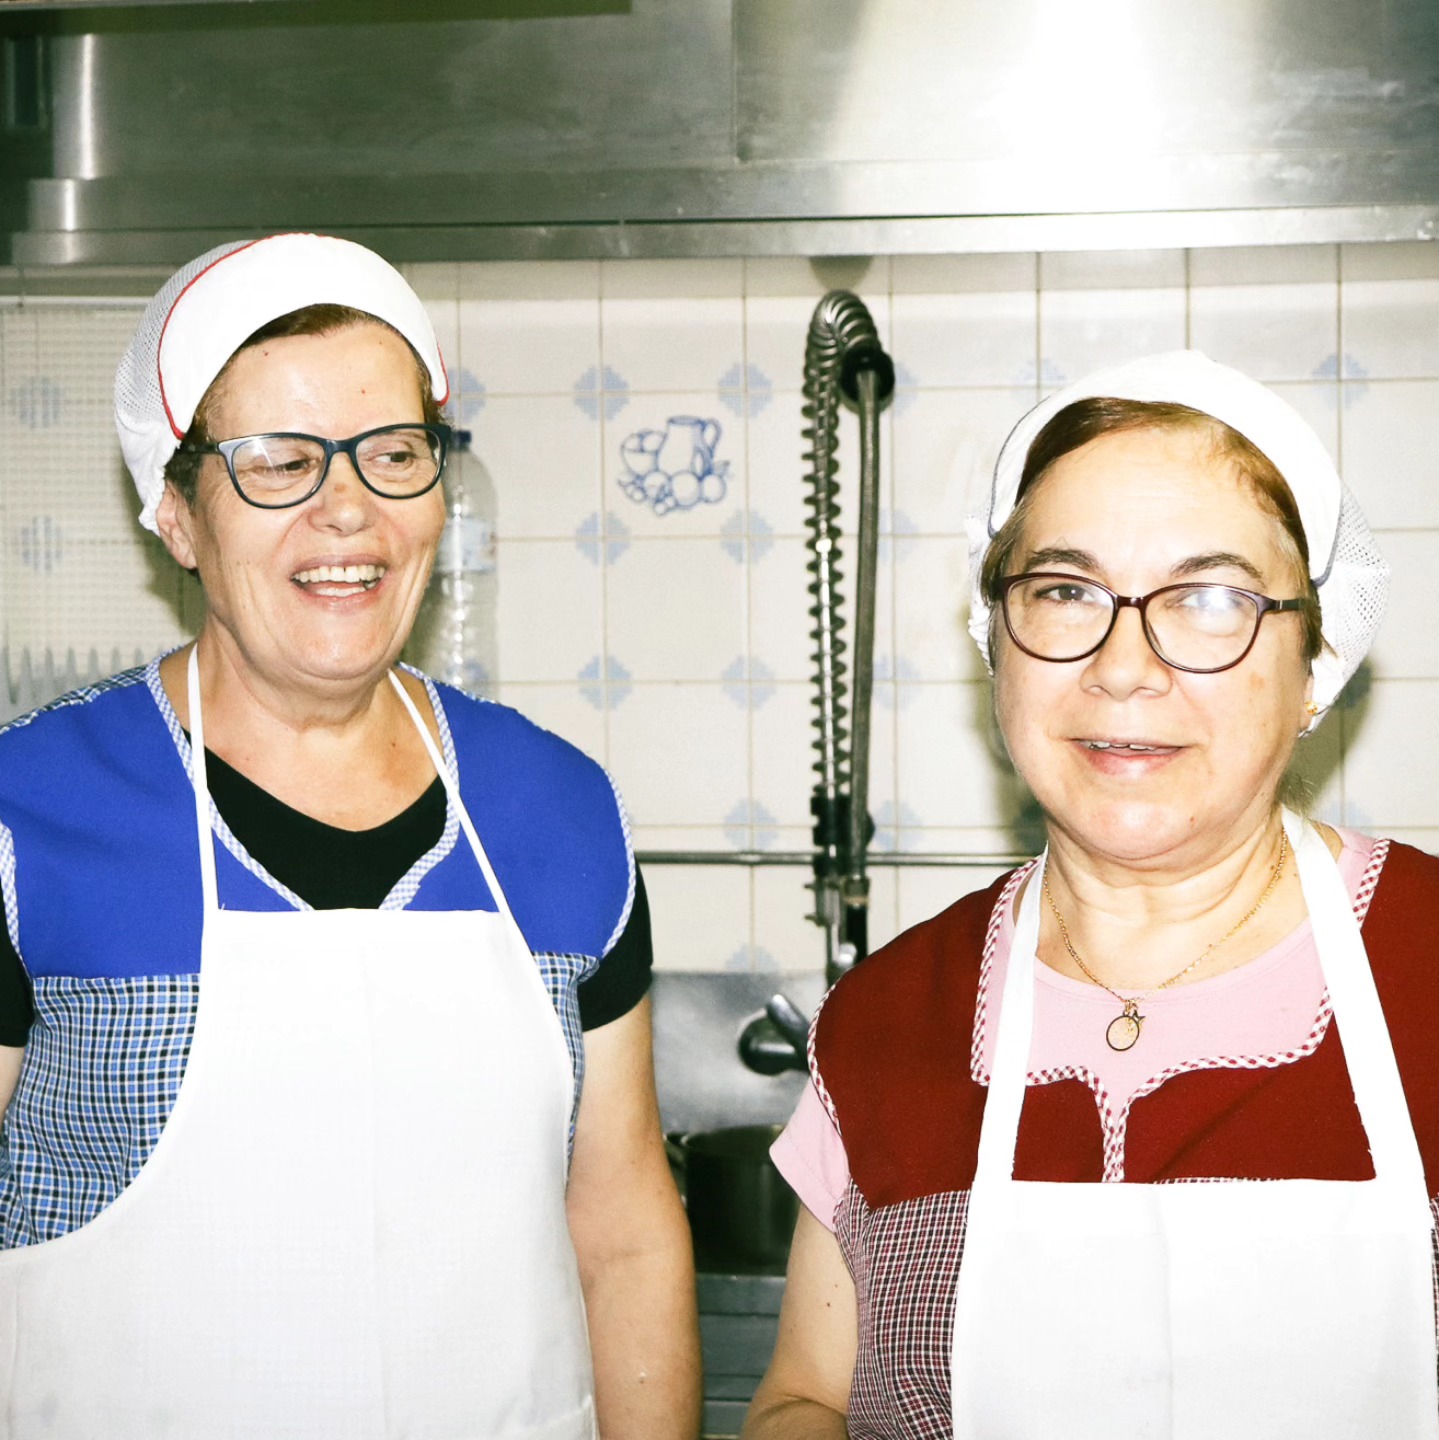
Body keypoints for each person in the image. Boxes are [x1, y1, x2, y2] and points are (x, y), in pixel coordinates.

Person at [0, 233, 701, 1439]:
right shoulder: (31, 812)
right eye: (277, 461)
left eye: (393, 454)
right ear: (175, 513)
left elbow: (624, 1228)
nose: (348, 508)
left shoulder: (557, 808)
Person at [743, 349, 1439, 1439]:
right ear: (995, 647)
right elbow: (803, 1399)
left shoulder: (1427, 966)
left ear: (1314, 664)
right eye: (1064, 591)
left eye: (1207, 599)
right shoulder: (887, 1015)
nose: (1121, 666)